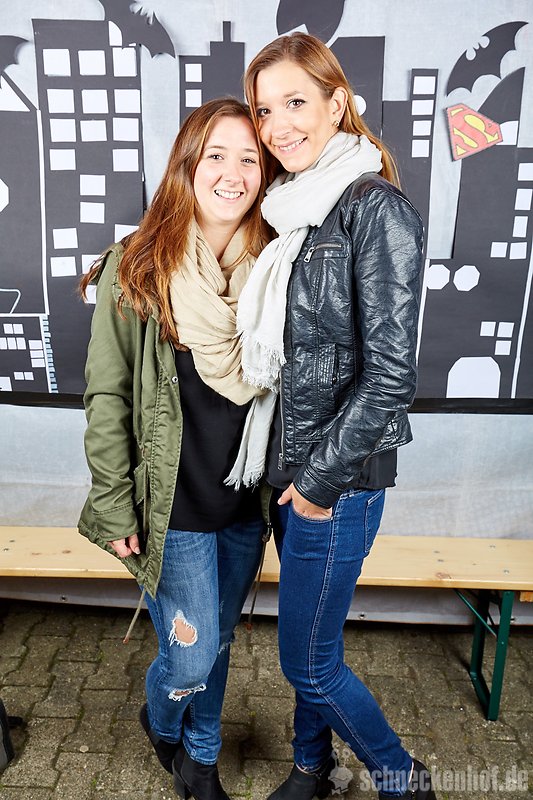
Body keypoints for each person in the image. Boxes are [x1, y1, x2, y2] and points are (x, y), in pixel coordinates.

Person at [236, 32, 436, 800]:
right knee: (312, 641)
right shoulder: (294, 213)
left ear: (336, 103)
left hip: (337, 480)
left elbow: (390, 376)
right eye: (264, 110)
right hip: (291, 465)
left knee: (308, 661)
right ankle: (310, 767)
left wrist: (318, 484)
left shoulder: (372, 208)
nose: (277, 125)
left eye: (295, 102)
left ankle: (401, 778)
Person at [78, 97, 272, 800]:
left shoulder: (276, 268)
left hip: (244, 498)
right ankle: (162, 722)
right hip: (171, 508)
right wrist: (113, 502)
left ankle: (202, 758)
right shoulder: (136, 267)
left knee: (219, 641)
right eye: (215, 155)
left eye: (249, 158)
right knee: (190, 658)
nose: (233, 173)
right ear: (187, 166)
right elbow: (107, 395)